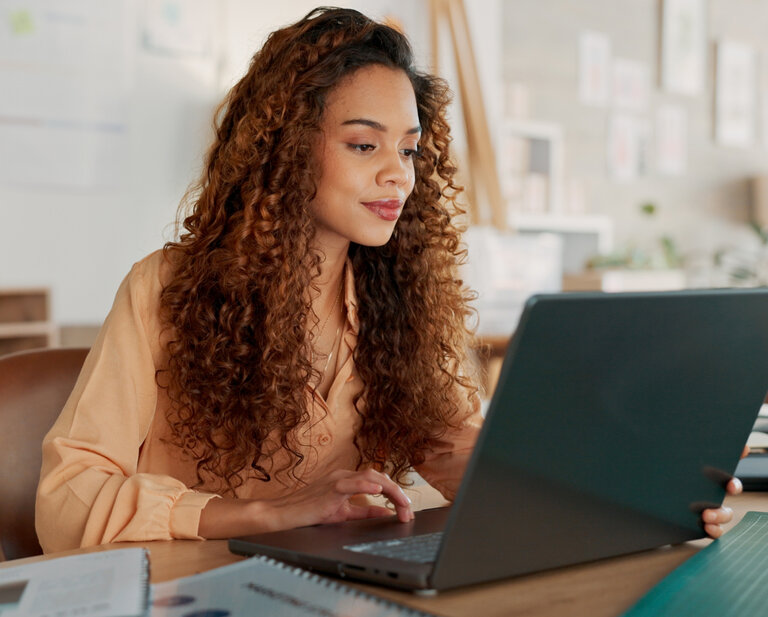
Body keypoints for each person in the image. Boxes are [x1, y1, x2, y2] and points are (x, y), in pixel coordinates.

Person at [35, 7, 739, 553]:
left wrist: (630, 494)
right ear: (285, 150)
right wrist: (265, 513)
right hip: (192, 586)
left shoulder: (398, 299)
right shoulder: (166, 287)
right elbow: (67, 499)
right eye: (364, 144)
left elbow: (465, 455)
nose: (398, 174)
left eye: (408, 149)